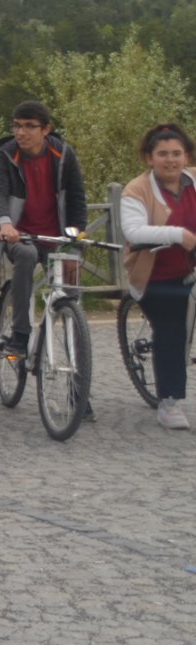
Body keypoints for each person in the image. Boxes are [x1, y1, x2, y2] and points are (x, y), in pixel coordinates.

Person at [0, 101, 89, 355]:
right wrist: (5, 223)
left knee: (71, 297)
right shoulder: (5, 154)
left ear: (46, 129)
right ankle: (20, 335)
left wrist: (76, 234)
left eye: (29, 127)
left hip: (57, 234)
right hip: (20, 234)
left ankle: (79, 370)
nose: (21, 133)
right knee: (26, 255)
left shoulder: (64, 154)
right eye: (17, 126)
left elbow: (77, 198)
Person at [120, 123, 196, 429]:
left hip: (191, 270)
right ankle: (169, 401)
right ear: (149, 158)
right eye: (162, 153)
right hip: (155, 276)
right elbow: (133, 230)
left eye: (177, 153)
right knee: (172, 327)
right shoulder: (136, 190)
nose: (170, 160)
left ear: (186, 156)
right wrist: (180, 235)